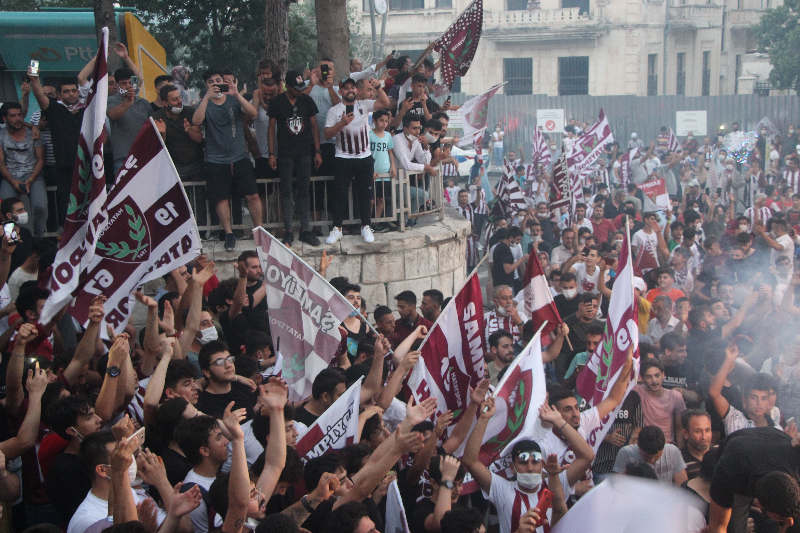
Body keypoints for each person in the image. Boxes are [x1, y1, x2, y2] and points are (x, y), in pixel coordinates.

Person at [463, 400, 576, 533]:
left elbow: (587, 457)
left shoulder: (554, 482)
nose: (530, 468)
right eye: (523, 462)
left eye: (535, 462)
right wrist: (483, 419)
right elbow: (470, 461)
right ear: (512, 467)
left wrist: (559, 421)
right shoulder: (503, 489)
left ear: (542, 464)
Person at [193, 69, 261, 250]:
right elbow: (196, 121)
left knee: (252, 195)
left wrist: (236, 94)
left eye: (218, 80)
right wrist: (206, 97)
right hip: (215, 159)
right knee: (221, 198)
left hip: (240, 156)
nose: (215, 84)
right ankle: (229, 233)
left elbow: (253, 111)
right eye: (211, 82)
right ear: (206, 85)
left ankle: (259, 231)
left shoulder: (233, 99)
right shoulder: (204, 103)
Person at [324, 77, 389, 244]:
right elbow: (327, 134)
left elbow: (385, 102)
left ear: (357, 91)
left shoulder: (363, 105)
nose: (350, 90)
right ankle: (337, 228)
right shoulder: (335, 110)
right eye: (346, 88)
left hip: (364, 157)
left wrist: (378, 86)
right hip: (342, 157)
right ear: (341, 92)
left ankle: (366, 226)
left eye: (352, 87)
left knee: (365, 193)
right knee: (339, 194)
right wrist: (342, 123)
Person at [27, 69, 84, 228]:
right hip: (64, 167)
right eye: (66, 91)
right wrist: (35, 79)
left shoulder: (88, 110)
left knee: (88, 202)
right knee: (66, 204)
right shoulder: (54, 110)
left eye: (74, 90)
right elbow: (40, 96)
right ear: (59, 94)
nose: (71, 94)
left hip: (87, 165)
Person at [708, 344, 780, 436]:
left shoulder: (777, 428)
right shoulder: (734, 418)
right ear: (744, 400)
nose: (759, 403)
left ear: (768, 401)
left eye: (764, 398)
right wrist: (729, 360)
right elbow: (714, 393)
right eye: (754, 398)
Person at [0, 102, 46, 237]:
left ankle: (38, 238)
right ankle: (12, 240)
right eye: (13, 116)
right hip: (10, 177)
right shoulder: (1, 135)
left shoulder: (34, 134)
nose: (17, 118)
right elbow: (1, 163)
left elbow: (41, 160)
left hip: (34, 176)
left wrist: (30, 180)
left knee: (40, 206)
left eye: (20, 115)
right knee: (7, 211)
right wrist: (12, 180)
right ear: (5, 118)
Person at [107, 67, 154, 175]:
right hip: (123, 157)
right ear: (117, 85)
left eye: (130, 82)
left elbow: (152, 127)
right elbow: (113, 115)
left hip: (144, 156)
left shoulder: (144, 103)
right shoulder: (111, 101)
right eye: (124, 83)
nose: (128, 86)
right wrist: (129, 100)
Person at [633, 358, 686, 446]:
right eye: (649, 377)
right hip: (645, 446)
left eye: (657, 375)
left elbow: (679, 428)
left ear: (663, 374)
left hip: (667, 446)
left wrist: (680, 450)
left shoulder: (675, 396)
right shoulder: (638, 391)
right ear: (642, 378)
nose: (654, 381)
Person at [612, 425, 687, 486]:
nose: (652, 460)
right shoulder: (626, 453)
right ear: (638, 444)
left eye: (656, 457)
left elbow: (682, 486)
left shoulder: (673, 452)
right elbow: (619, 486)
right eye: (647, 456)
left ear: (664, 445)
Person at [484, 285, 528, 350]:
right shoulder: (486, 318)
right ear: (495, 301)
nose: (508, 301)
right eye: (504, 298)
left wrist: (518, 320)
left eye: (511, 298)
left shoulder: (521, 316)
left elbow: (530, 340)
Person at [679, 410, 713, 480]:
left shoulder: (721, 452)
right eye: (698, 431)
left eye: (707, 430)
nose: (704, 437)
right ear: (686, 433)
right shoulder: (678, 459)